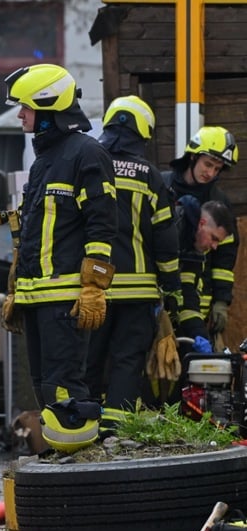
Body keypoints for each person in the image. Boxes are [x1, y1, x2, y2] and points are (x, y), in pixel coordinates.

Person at [1, 63, 118, 453]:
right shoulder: (45, 161)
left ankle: (79, 462)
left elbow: (102, 225)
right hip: (39, 300)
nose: (20, 115)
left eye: (26, 107)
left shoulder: (87, 154)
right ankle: (59, 457)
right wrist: (18, 290)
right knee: (44, 388)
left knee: (64, 388)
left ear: (49, 109)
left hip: (66, 300)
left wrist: (94, 286)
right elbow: (35, 236)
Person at [87, 96, 180, 437]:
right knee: (127, 361)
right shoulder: (150, 177)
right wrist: (172, 291)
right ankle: (115, 434)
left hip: (93, 288)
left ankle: (83, 429)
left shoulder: (89, 166)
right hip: (138, 293)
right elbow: (166, 241)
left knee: (89, 359)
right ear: (143, 133)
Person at [162, 126, 239, 343]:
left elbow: (224, 258)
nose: (211, 173)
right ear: (193, 157)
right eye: (208, 164)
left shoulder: (219, 202)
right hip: (160, 299)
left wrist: (221, 302)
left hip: (198, 302)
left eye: (217, 168)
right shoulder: (162, 185)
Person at [176, 196, 235, 344]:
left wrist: (198, 333)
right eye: (213, 238)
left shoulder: (195, 252)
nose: (214, 247)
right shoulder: (173, 232)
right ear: (201, 224)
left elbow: (187, 295)